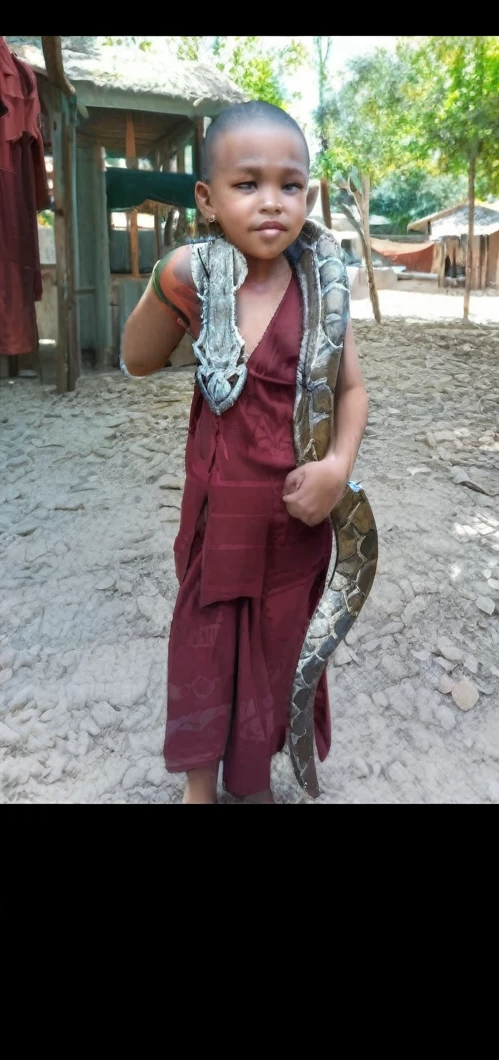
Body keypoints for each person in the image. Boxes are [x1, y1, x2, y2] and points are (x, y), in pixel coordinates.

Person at [121, 101, 368, 804]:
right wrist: (164, 287)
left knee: (276, 650)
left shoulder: (325, 288)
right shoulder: (195, 279)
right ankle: (202, 787)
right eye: (245, 184)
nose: (270, 202)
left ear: (309, 198)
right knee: (202, 644)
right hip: (219, 514)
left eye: (289, 185)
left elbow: (352, 392)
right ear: (206, 200)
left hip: (296, 520)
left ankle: (252, 780)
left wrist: (336, 469)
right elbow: (137, 362)